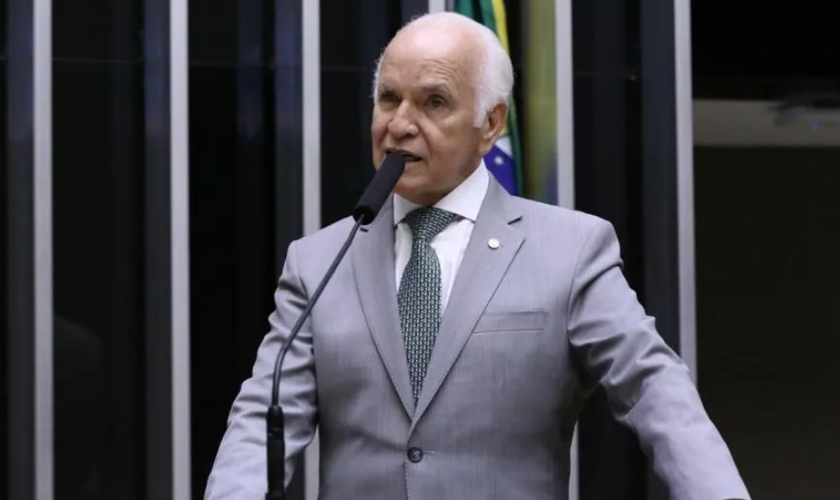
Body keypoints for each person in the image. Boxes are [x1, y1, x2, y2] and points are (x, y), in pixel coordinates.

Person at [204, 12, 749, 500]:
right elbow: (260, 421)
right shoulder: (318, 260)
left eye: (433, 102)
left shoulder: (572, 249)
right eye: (389, 99)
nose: (399, 124)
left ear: (490, 124)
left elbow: (656, 391)